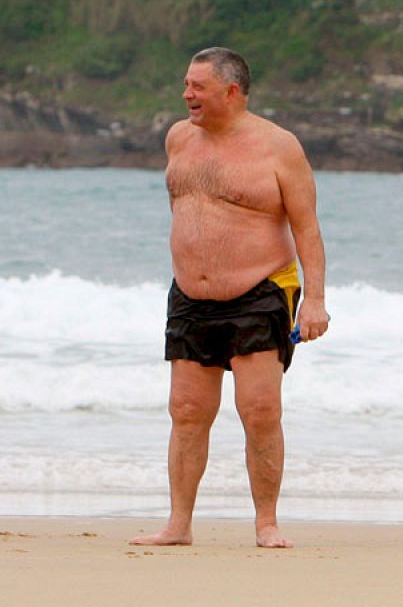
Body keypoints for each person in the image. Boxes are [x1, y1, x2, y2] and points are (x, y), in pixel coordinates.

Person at [130, 47, 329, 549]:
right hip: (190, 295)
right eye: (186, 85)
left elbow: (307, 229)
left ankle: (266, 522)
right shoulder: (178, 138)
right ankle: (178, 523)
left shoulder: (278, 148)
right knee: (186, 410)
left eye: (197, 87)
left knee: (259, 410)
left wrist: (315, 301)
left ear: (231, 91)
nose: (187, 95)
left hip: (259, 291)